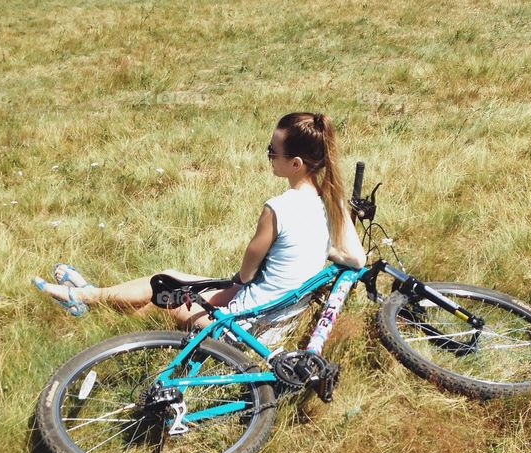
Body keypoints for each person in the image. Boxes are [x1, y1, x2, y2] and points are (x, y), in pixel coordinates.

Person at [32, 112, 367, 328]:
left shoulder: (277, 208)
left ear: (295, 163)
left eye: (271, 151)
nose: (267, 156)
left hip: (250, 323)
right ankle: (90, 298)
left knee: (162, 294)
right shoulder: (328, 201)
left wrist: (238, 283)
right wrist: (327, 248)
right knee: (173, 282)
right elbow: (356, 258)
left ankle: (86, 297)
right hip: (279, 311)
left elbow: (248, 271)